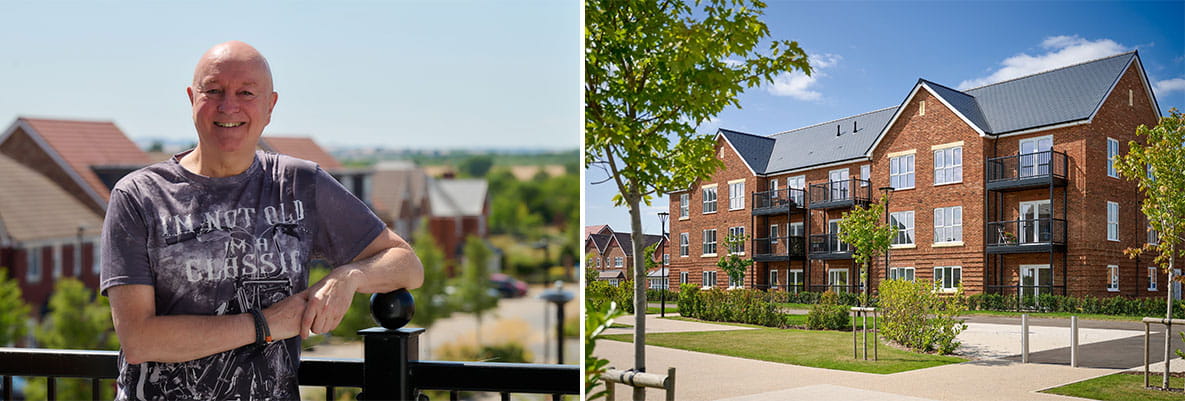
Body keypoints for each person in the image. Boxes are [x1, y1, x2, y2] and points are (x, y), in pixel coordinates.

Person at [100, 41, 424, 400]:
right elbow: (139, 339)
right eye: (214, 91)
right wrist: (266, 324)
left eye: (246, 93)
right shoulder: (139, 196)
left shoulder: (300, 185)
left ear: (270, 106)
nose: (229, 106)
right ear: (192, 98)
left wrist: (349, 276)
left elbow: (408, 264)